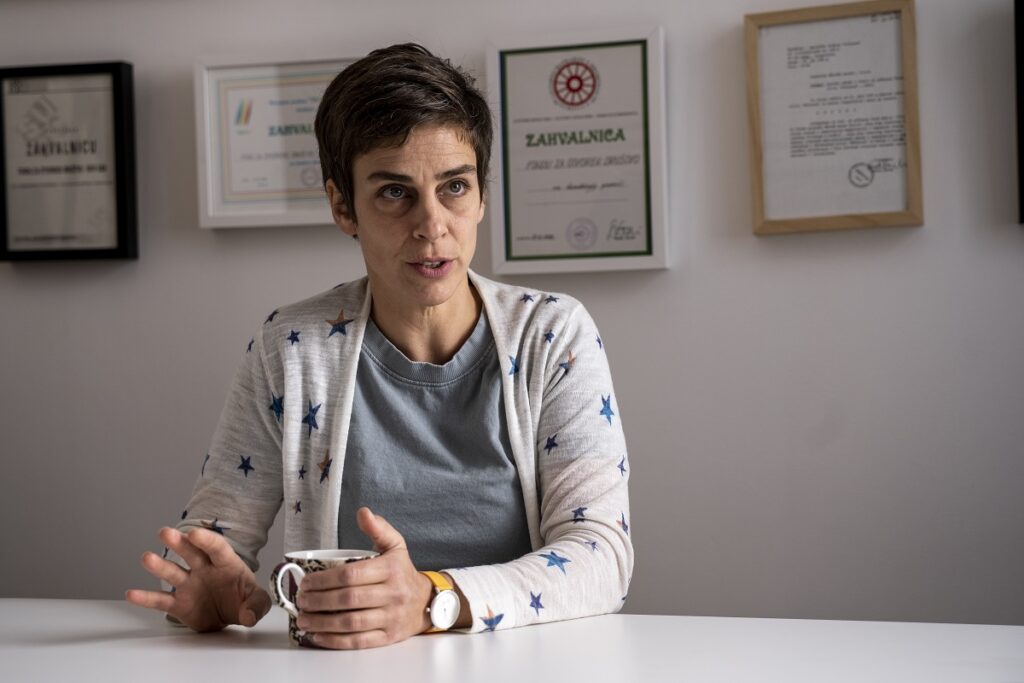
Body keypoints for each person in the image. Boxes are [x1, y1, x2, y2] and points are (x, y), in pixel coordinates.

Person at [126, 43, 632, 649]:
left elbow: (601, 555)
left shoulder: (552, 334)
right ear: (343, 206)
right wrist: (206, 591)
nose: (432, 225)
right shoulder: (290, 348)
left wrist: (430, 599)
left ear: (481, 195)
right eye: (395, 192)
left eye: (454, 186)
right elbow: (211, 548)